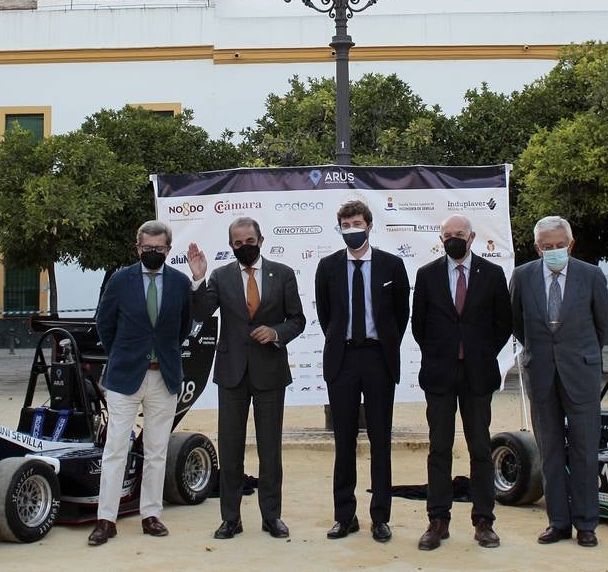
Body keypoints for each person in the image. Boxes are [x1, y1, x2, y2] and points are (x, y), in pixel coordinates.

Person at [186, 216, 306, 539]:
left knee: (270, 450)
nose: (244, 248)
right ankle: (230, 519)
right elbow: (200, 314)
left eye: (249, 242)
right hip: (231, 374)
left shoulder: (282, 274)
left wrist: (276, 332)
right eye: (237, 244)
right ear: (231, 246)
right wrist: (198, 279)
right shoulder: (220, 276)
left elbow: (298, 320)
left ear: (261, 240)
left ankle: (272, 517)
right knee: (230, 448)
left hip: (270, 372)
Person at [411, 214, 513, 550]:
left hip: (478, 374)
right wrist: (443, 353)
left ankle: (484, 521)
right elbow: (419, 325)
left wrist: (479, 353)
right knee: (439, 448)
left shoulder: (493, 274)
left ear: (471, 238)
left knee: (480, 448)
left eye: (459, 234)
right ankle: (438, 520)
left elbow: (503, 324)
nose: (452, 239)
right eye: (447, 234)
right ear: (441, 239)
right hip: (440, 374)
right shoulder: (427, 275)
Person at [88, 220, 192, 546]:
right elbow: (104, 324)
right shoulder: (120, 280)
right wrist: (123, 352)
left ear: (168, 250)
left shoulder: (179, 283)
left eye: (158, 249)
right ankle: (106, 520)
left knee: (157, 450)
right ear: (138, 248)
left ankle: (151, 514)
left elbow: (183, 327)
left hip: (165, 377)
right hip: (124, 377)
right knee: (115, 448)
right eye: (147, 248)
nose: (152, 253)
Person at [510, 215, 608, 548]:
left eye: (559, 246)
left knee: (584, 451)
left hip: (580, 374)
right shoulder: (522, 277)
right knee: (550, 451)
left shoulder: (591, 275)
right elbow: (517, 324)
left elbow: (602, 325)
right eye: (546, 246)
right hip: (540, 373)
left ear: (571, 245)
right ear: (537, 247)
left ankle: (586, 524)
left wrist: (580, 355)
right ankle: (558, 522)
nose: (553, 251)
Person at [315, 199, 410, 543]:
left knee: (380, 439)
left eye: (357, 223)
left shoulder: (392, 266)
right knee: (344, 442)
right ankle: (345, 516)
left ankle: (380, 518)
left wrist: (380, 345)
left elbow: (401, 315)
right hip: (342, 360)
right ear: (339, 228)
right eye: (346, 224)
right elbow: (327, 316)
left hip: (378, 359)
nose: (352, 229)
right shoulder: (327, 267)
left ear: (370, 226)